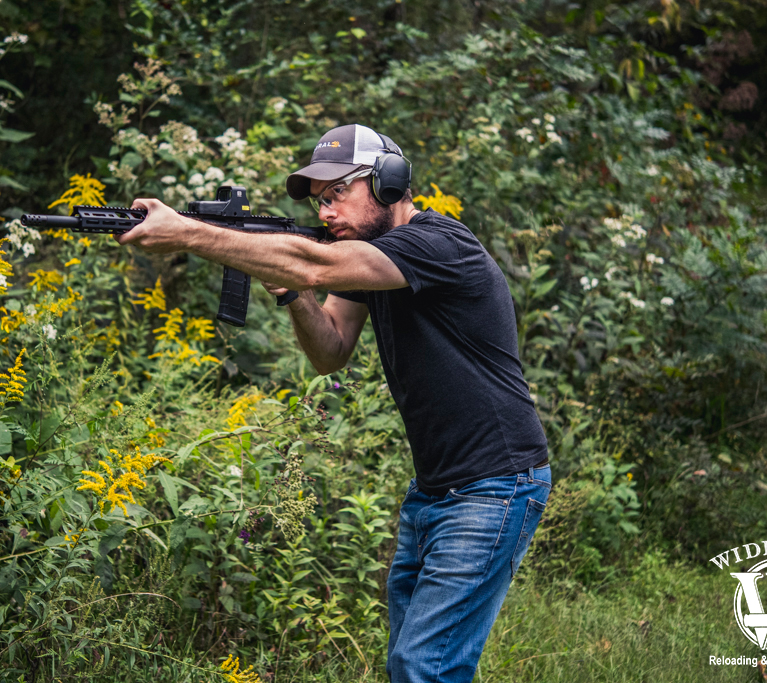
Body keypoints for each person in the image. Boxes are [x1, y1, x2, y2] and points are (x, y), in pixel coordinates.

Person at [116, 123, 552, 683]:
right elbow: (331, 349)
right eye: (319, 200)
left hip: (496, 482)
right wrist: (295, 294)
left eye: (337, 194)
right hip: (435, 489)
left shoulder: (439, 246)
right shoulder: (365, 257)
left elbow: (312, 263)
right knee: (412, 662)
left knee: (423, 664)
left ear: (389, 183)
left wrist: (187, 233)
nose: (325, 212)